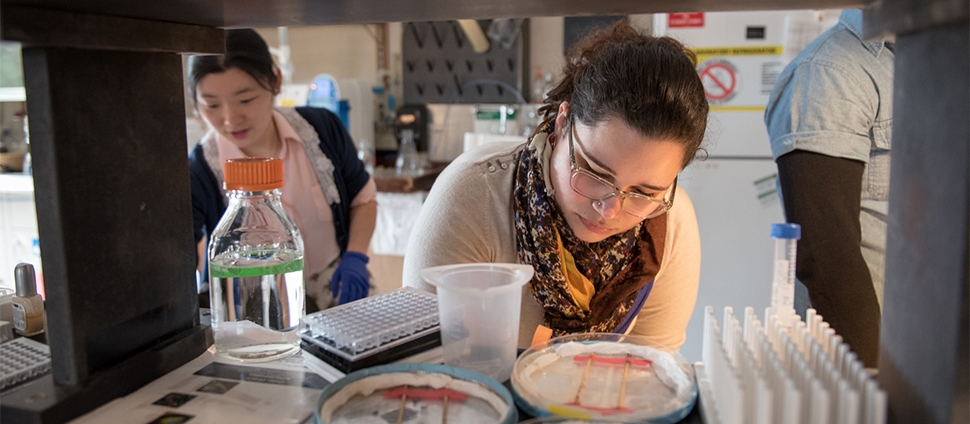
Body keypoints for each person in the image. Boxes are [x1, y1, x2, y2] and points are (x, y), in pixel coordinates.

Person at [403, 20, 708, 350]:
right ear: (563, 123)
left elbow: (648, 367)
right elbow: (426, 360)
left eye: (644, 193)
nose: (610, 210)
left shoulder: (668, 226)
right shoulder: (474, 197)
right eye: (595, 173)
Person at [187, 29, 378, 311]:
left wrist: (356, 257)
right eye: (212, 105)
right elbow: (179, 257)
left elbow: (363, 199)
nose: (230, 119)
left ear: (275, 80)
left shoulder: (320, 130)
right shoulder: (201, 168)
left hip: (335, 281)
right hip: (254, 301)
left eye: (246, 100)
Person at [764, 9, 893, 368]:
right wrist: (868, 390)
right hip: (866, 360)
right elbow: (826, 257)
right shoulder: (828, 72)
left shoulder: (943, 61)